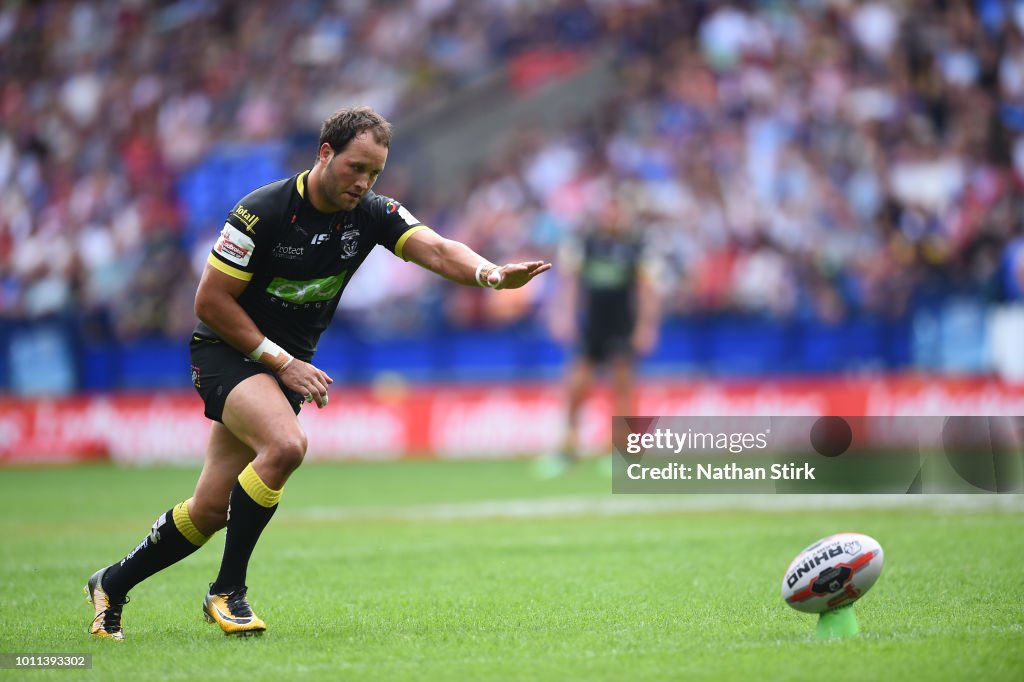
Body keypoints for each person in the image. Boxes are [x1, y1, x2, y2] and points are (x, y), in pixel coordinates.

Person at [85, 106, 551, 639]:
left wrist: (489, 273)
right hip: (228, 351)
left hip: (284, 366)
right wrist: (282, 361)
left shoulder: (371, 213)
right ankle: (227, 592)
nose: (363, 182)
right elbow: (210, 302)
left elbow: (440, 250)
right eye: (356, 167)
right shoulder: (260, 212)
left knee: (211, 509)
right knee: (285, 446)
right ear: (325, 152)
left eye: (374, 173)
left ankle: (112, 582)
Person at [536, 195, 661, 478]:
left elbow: (647, 290)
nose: (613, 217)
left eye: (617, 211)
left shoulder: (636, 247)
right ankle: (567, 450)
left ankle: (622, 454)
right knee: (576, 385)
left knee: (623, 386)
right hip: (592, 324)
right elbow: (569, 282)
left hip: (623, 323)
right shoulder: (585, 243)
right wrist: (563, 315)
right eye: (609, 211)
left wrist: (646, 326)